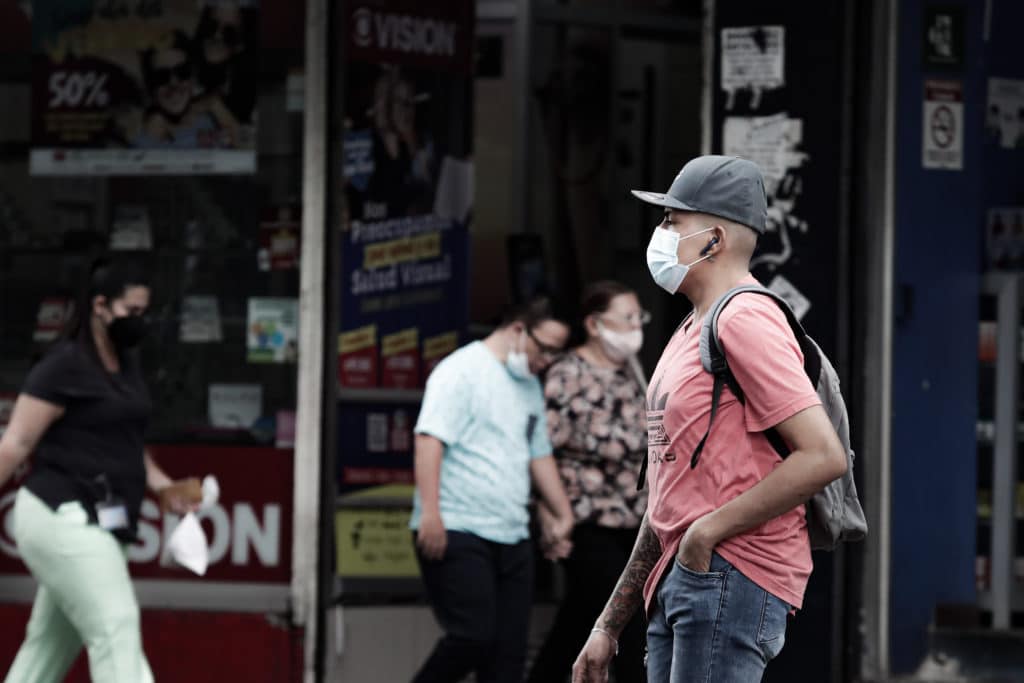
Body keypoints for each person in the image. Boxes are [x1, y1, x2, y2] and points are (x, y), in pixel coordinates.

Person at [571, 155, 848, 683]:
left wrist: (704, 536)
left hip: (729, 572)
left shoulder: (745, 318)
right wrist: (609, 624)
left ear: (714, 240)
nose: (661, 232)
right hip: (683, 576)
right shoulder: (690, 329)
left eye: (674, 221)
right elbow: (669, 493)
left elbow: (822, 455)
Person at [1, 258, 202, 683]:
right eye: (132, 312)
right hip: (62, 516)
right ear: (100, 306)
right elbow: (16, 443)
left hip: (104, 521)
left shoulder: (126, 365)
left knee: (48, 646)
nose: (139, 322)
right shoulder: (64, 365)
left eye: (144, 312)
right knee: (116, 628)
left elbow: (127, 443)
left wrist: (165, 487)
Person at [410, 295, 576, 683]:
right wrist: (431, 514)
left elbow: (538, 455)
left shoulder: (529, 386)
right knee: (472, 637)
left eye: (557, 353)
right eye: (545, 348)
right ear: (518, 329)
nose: (548, 360)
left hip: (512, 533)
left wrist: (562, 515)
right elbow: (428, 441)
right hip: (458, 527)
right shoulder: (461, 371)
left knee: (507, 659)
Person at [527, 281, 649, 683]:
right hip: (587, 517)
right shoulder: (567, 371)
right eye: (627, 318)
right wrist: (549, 511)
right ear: (594, 324)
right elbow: (542, 446)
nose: (636, 327)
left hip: (635, 518)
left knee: (579, 621)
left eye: (639, 318)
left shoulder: (634, 372)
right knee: (624, 620)